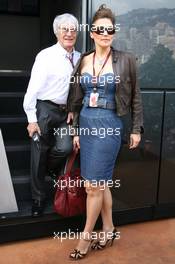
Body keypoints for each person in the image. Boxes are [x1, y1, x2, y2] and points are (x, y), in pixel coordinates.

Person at [67, 5, 144, 260]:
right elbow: (77, 98)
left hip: (109, 124)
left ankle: (86, 238)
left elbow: (135, 97)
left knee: (92, 187)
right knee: (100, 184)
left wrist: (136, 128)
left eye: (109, 29)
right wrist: (76, 130)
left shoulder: (126, 60)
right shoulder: (83, 60)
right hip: (87, 125)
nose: (104, 33)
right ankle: (109, 228)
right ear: (91, 33)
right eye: (99, 29)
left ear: (114, 32)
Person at [23, 13, 80, 217]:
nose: (69, 33)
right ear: (57, 32)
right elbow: (32, 89)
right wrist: (31, 119)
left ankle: (48, 168)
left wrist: (74, 109)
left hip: (67, 113)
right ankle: (38, 199)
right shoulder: (45, 56)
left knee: (64, 148)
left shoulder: (80, 58)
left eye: (73, 29)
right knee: (38, 154)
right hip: (45, 109)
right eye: (64, 29)